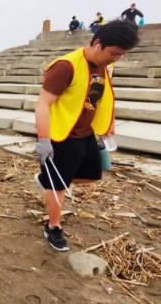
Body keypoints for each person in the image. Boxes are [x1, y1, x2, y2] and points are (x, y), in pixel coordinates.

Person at [34, 20, 139, 252]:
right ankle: (53, 227)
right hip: (61, 136)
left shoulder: (103, 67)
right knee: (59, 186)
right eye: (114, 53)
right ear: (98, 44)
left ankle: (46, 180)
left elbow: (103, 97)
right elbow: (42, 104)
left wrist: (109, 123)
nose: (116, 59)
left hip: (86, 133)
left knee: (91, 175)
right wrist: (43, 140)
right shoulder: (65, 67)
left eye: (121, 55)